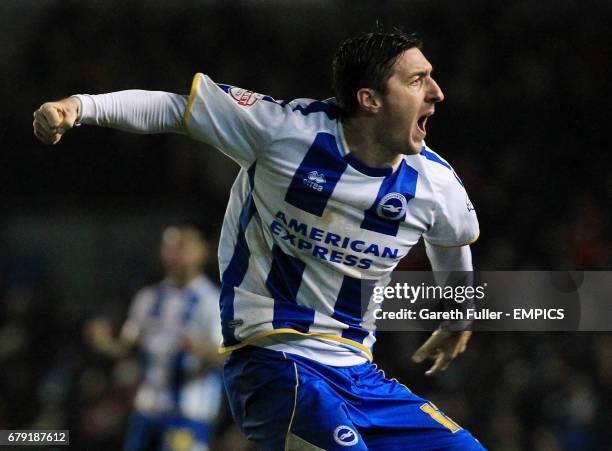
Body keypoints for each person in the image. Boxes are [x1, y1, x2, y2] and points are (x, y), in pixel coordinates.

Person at [35, 31, 483, 450]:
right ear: (369, 99)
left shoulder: (435, 185)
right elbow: (174, 110)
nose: (436, 91)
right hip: (273, 363)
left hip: (360, 374)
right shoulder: (283, 132)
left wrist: (457, 315)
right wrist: (78, 106)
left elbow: (451, 239)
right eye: (417, 80)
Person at [85, 225, 224, 451]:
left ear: (202, 251)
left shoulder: (212, 301)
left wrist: (199, 349)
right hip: (146, 411)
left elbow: (230, 356)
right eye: (170, 245)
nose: (175, 252)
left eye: (183, 245)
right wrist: (102, 342)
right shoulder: (146, 298)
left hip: (188, 414)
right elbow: (126, 348)